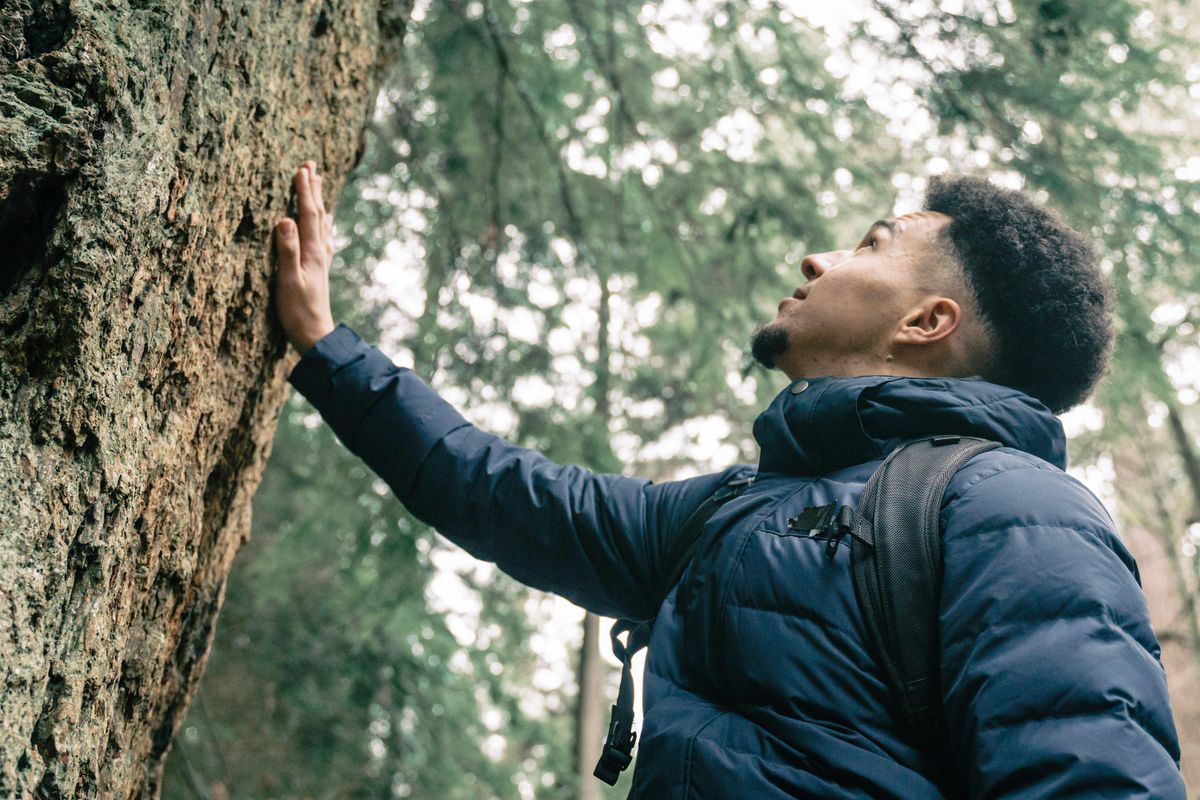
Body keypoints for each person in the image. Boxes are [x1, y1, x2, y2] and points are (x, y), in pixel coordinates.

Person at [273, 161, 1185, 798]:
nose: (817, 261)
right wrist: (326, 345)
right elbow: (511, 497)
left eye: (869, 245)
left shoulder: (1017, 509)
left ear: (926, 320)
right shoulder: (731, 516)